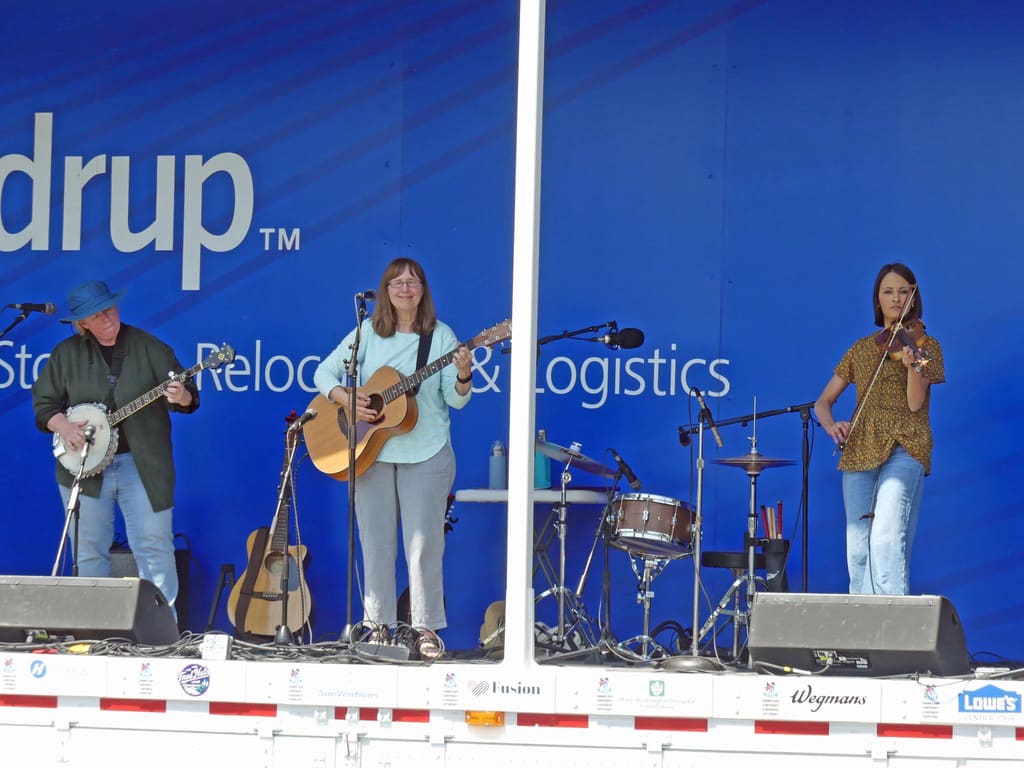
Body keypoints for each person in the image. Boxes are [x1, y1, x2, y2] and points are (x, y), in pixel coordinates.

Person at [313, 257, 473, 656]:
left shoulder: (440, 336)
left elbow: (456, 399)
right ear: (384, 291)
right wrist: (346, 398)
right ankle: (378, 627)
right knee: (376, 541)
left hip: (426, 451)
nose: (405, 288)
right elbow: (323, 373)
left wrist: (465, 373)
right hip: (372, 452)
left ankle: (425, 629)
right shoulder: (367, 332)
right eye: (397, 282)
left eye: (413, 282)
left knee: (423, 545)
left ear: (424, 291)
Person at [32, 280, 198, 618]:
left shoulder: (151, 348)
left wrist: (182, 396)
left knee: (153, 546)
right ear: (83, 324)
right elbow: (44, 406)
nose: (107, 318)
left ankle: (162, 630)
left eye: (110, 309)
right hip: (84, 467)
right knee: (89, 551)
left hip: (142, 465)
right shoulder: (66, 355)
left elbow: (189, 396)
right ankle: (93, 631)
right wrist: (64, 426)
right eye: (97, 314)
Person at [814, 263, 944, 595]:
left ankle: (890, 634)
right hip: (860, 447)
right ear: (878, 298)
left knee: (886, 537)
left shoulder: (926, 346)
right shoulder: (861, 348)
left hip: (906, 444)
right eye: (888, 291)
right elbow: (822, 403)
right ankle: (862, 633)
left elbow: (915, 403)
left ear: (913, 296)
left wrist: (913, 360)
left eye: (903, 291)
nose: (896, 298)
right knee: (858, 548)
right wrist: (832, 425)